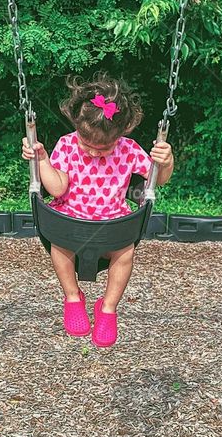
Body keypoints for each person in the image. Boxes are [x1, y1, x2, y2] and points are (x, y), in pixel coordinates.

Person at [21, 72, 175, 347]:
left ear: (121, 134)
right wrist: (42, 160)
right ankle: (72, 297)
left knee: (125, 253)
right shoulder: (68, 145)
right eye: (87, 145)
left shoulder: (128, 150)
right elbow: (57, 189)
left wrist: (165, 162)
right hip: (71, 220)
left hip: (112, 224)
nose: (93, 153)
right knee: (59, 246)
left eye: (103, 148)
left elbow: (157, 181)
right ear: (77, 129)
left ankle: (107, 308)